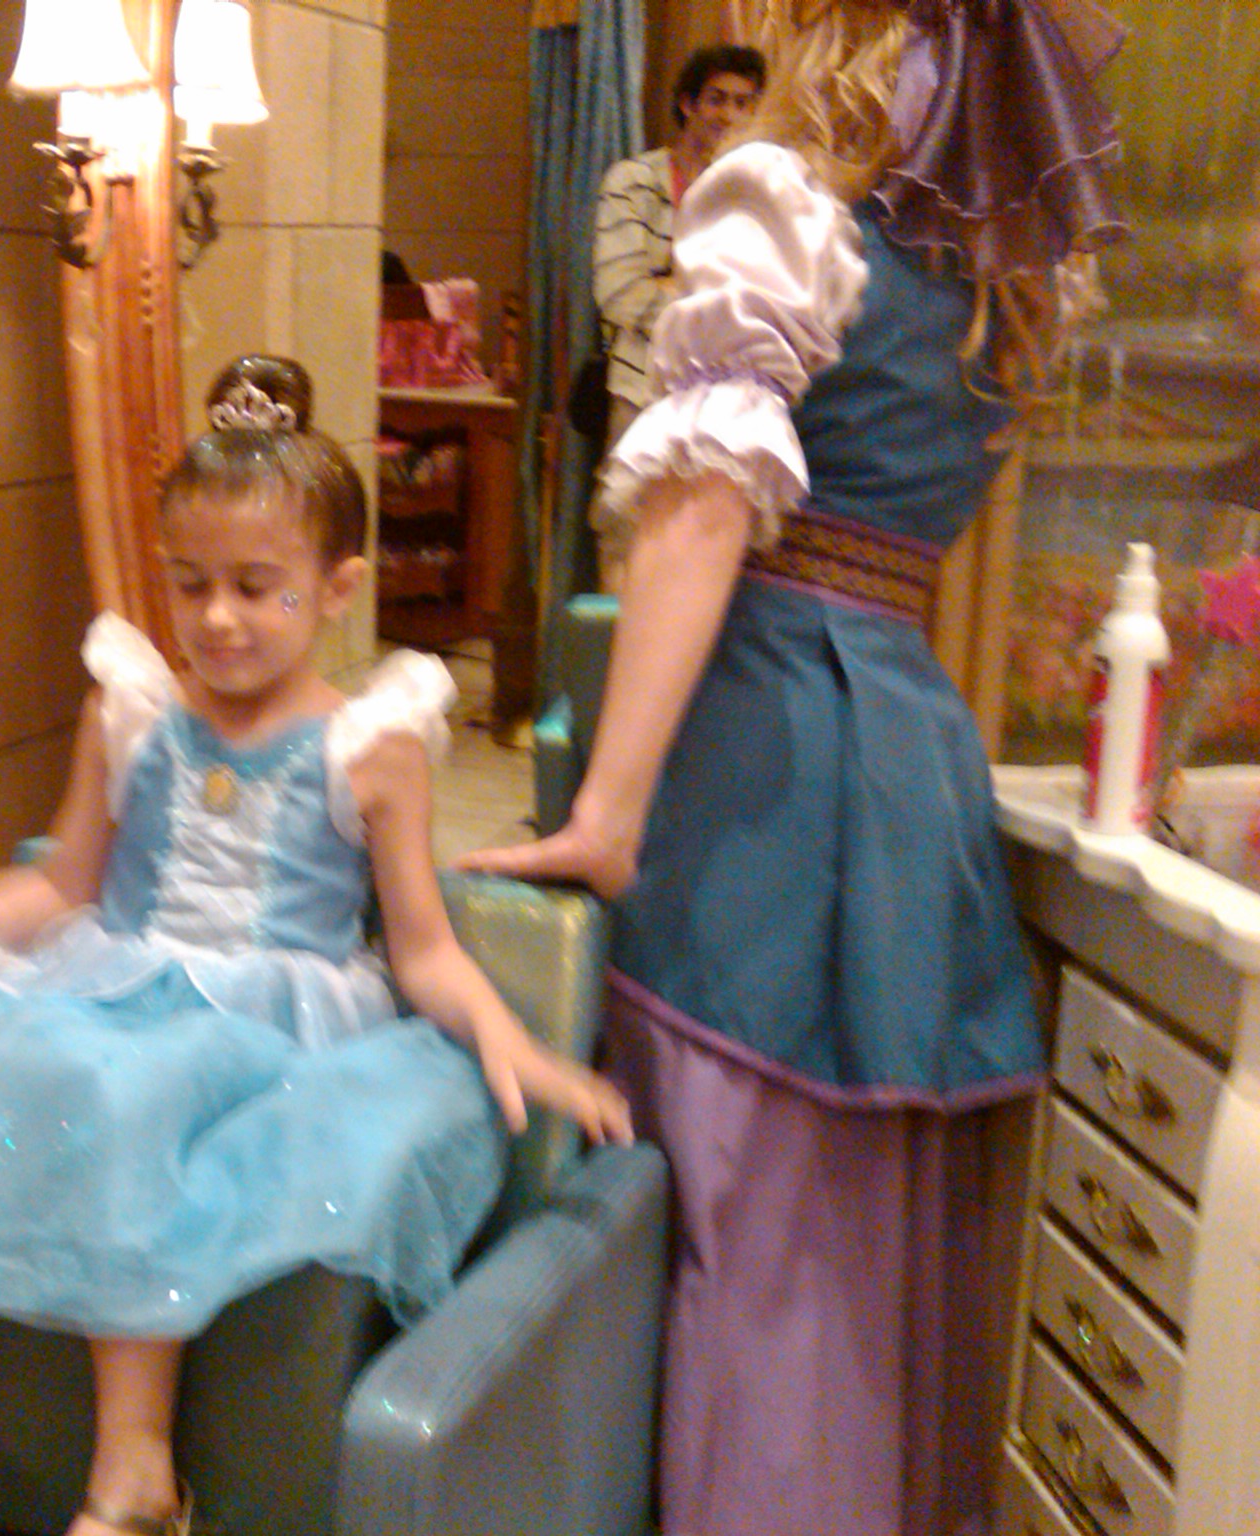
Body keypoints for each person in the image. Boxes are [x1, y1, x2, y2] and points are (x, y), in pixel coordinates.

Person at [0, 355, 633, 1536]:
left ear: (336, 589)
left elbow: (424, 950)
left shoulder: (371, 745)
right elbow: (59, 888)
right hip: (112, 980)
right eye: (190, 585)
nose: (217, 617)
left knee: (126, 1096)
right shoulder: (131, 708)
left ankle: (132, 1475)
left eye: (256, 587)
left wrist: (513, 1040)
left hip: (268, 1029)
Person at [463, 1, 1126, 1532]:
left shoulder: (786, 207)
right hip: (907, 744)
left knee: (743, 1222)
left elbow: (703, 513)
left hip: (762, 736)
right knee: (856, 1249)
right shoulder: (1010, 273)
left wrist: (607, 812)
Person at [586, 46, 767, 588]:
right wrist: (716, 297)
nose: (729, 114)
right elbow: (620, 294)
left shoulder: (756, 194)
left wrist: (673, 282)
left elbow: (764, 303)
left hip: (723, 404)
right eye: (717, 99)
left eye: (743, 103)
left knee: (708, 558)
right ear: (688, 104)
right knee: (626, 543)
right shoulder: (633, 182)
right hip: (641, 392)